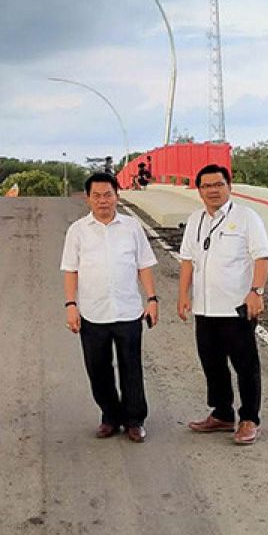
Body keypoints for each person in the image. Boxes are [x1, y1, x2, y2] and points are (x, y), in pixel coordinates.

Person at [176, 164, 268, 445]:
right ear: (199, 190)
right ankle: (221, 413)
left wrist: (256, 291)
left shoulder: (246, 218)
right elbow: (187, 260)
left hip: (236, 307)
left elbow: (262, 257)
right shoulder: (195, 219)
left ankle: (249, 419)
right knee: (212, 363)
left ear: (229, 186)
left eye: (218, 184)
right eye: (206, 186)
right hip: (205, 307)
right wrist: (183, 294)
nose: (212, 190)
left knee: (245, 365)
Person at [60, 172, 159, 442]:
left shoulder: (132, 227)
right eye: (97, 196)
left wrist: (152, 299)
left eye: (108, 194)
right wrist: (71, 304)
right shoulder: (78, 231)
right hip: (93, 312)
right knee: (98, 368)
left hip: (128, 311)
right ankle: (110, 416)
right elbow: (70, 270)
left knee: (131, 367)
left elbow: (144, 265)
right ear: (88, 198)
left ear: (117, 195)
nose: (103, 200)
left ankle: (134, 419)